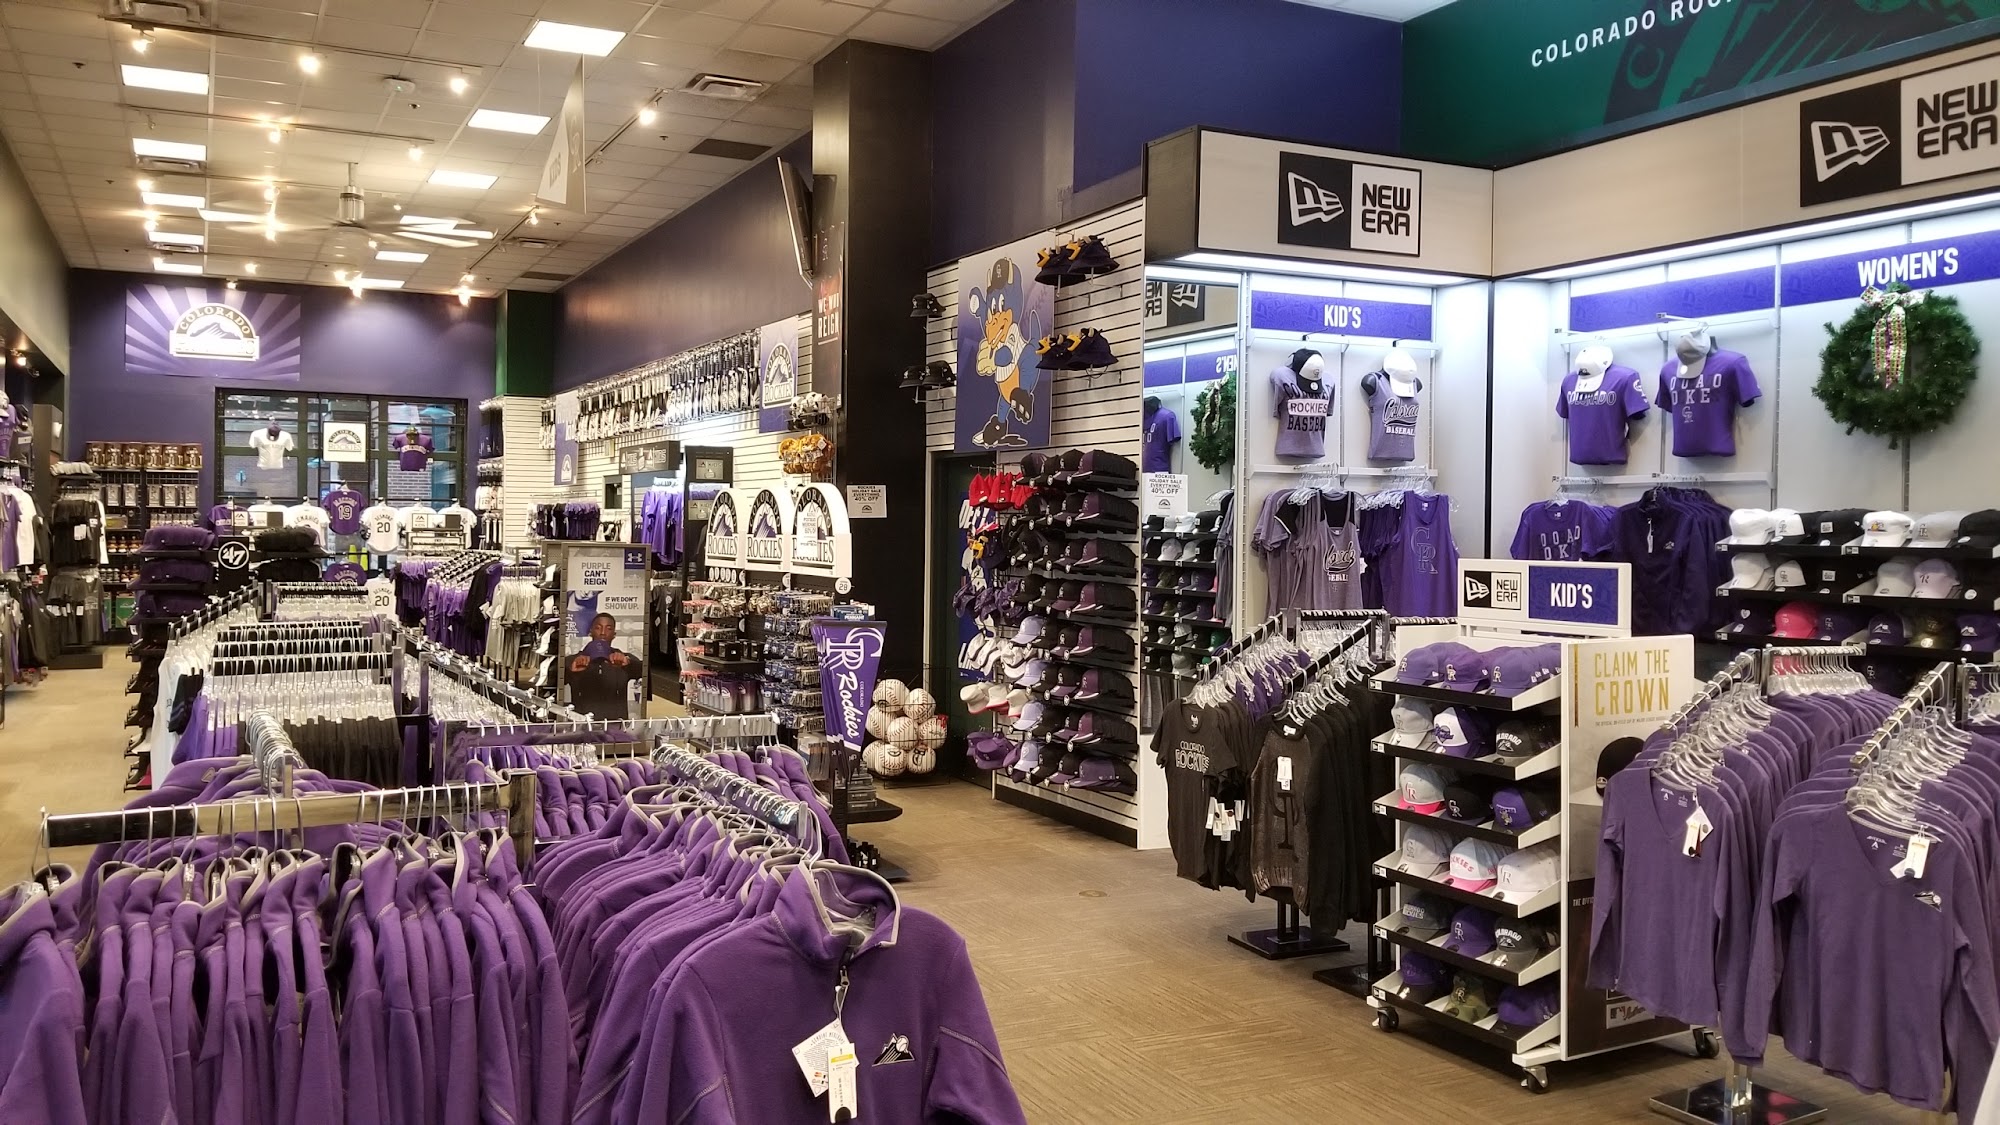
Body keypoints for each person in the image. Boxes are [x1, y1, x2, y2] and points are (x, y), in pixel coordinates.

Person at [568, 612, 641, 719]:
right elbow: (554, 676)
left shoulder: (624, 659)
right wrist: (570, 668)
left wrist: (628, 663)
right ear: (591, 632)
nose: (603, 633)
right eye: (598, 628)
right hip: (582, 724)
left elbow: (644, 672)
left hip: (615, 725)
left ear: (614, 634)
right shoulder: (574, 660)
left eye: (608, 628)